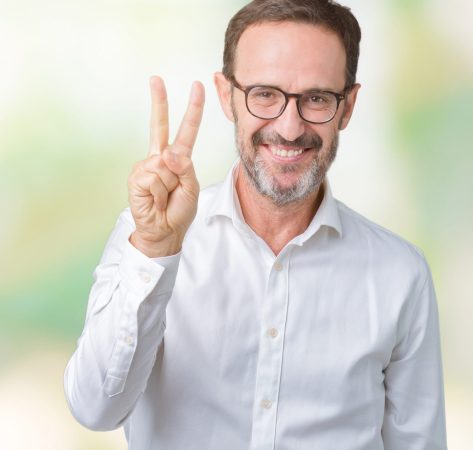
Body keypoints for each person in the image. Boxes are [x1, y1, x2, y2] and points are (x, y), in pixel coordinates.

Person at [63, 1, 447, 449]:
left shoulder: (400, 274)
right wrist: (155, 251)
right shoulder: (148, 236)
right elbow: (94, 409)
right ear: (227, 95)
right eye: (265, 94)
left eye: (317, 99)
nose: (290, 127)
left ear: (347, 107)